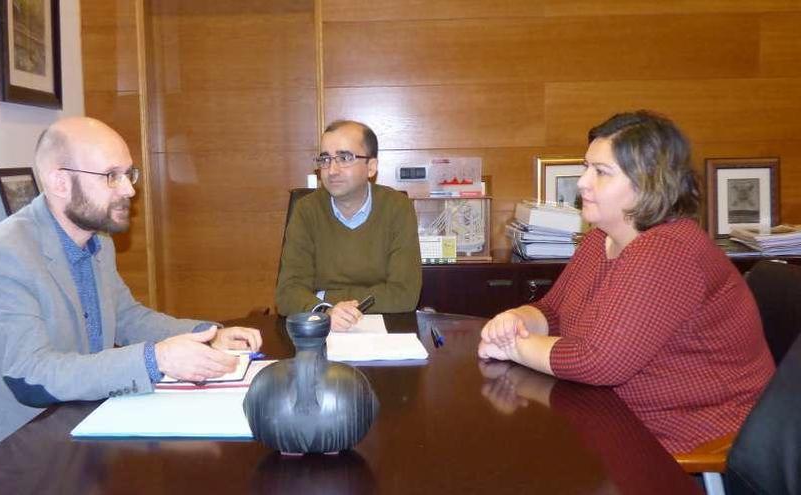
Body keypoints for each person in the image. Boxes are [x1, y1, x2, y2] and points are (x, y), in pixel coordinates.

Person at [0, 117, 262, 477]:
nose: (129, 190)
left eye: (128, 174)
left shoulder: (96, 240)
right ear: (60, 181)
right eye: (111, 176)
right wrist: (158, 359)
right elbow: (32, 377)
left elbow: (127, 318)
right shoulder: (3, 254)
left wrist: (209, 335)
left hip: (70, 431)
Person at [478, 110, 774, 454]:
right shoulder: (599, 238)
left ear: (649, 181)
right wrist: (517, 320)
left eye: (601, 172)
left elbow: (598, 361)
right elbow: (554, 312)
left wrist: (512, 347)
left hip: (692, 444)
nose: (583, 182)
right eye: (586, 167)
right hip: (616, 422)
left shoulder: (668, 251)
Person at [275, 120, 422, 330]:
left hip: (384, 331)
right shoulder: (306, 210)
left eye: (344, 158)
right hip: (322, 327)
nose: (332, 170)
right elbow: (287, 294)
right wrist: (326, 311)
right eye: (325, 159)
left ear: (371, 167)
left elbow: (404, 294)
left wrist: (323, 297)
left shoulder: (397, 208)